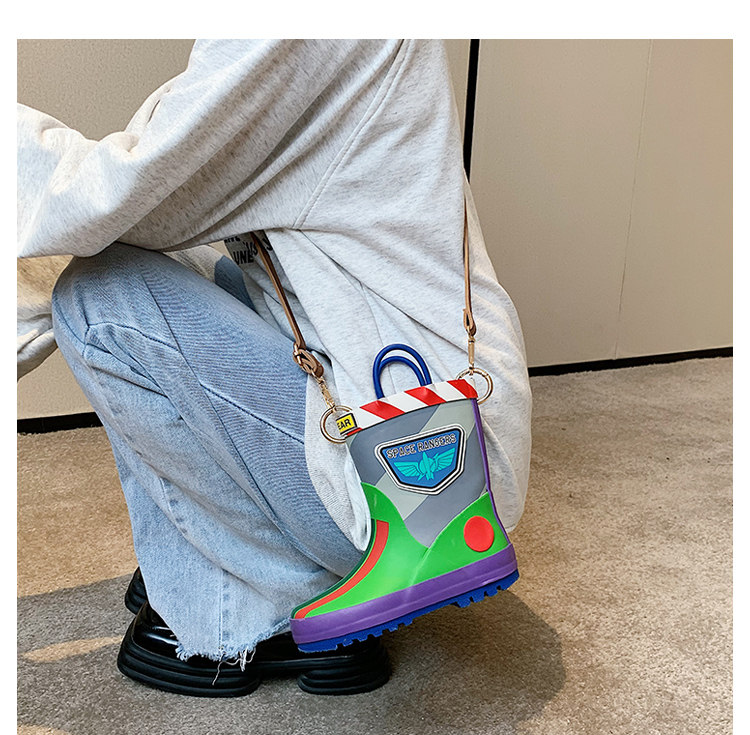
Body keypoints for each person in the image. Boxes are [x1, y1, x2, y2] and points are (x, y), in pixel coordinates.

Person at [17, 39, 532, 697]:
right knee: (196, 271)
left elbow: (121, 193)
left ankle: (256, 615)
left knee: (101, 300)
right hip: (448, 415)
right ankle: (229, 554)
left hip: (421, 473)